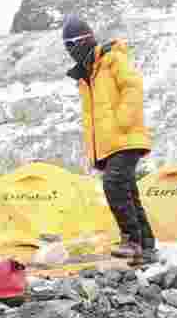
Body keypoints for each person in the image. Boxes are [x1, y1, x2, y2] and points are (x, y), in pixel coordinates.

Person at [62, 14, 157, 265]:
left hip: (125, 137)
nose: (71, 50)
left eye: (74, 43)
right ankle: (147, 248)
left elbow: (133, 86)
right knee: (127, 190)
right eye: (67, 46)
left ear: (88, 39)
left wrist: (122, 120)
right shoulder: (87, 75)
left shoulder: (112, 59)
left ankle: (131, 241)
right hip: (112, 143)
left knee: (113, 185)